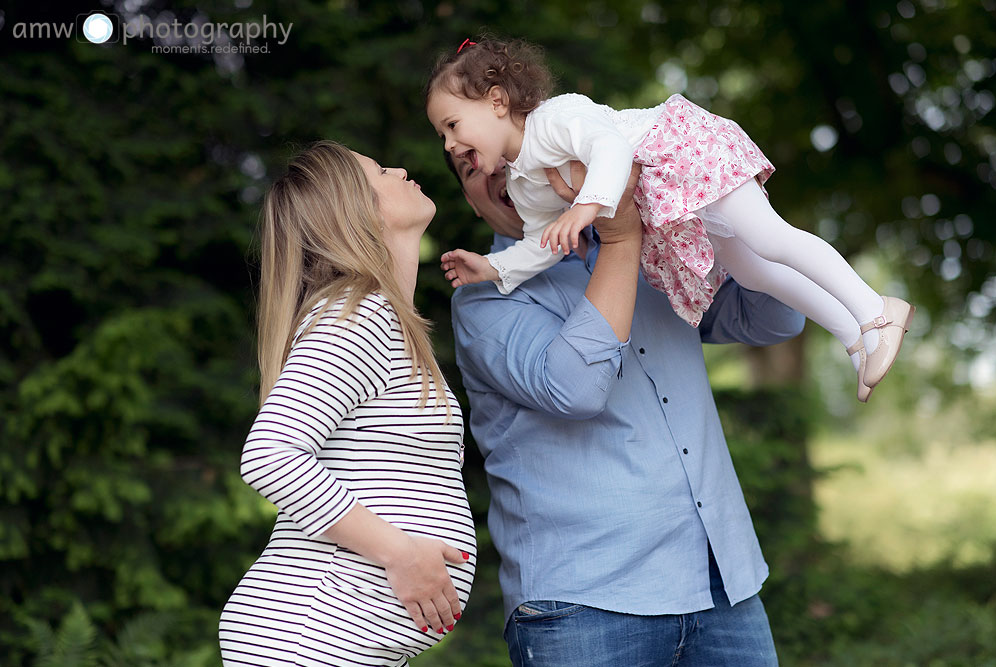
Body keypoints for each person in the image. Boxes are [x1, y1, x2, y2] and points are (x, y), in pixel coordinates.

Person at [434, 128, 806, 664]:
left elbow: (776, 315)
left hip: (721, 586)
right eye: (472, 169)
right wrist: (620, 239)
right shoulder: (483, 299)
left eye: (506, 154)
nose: (495, 171)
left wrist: (724, 195)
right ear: (469, 198)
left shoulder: (658, 254)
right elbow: (577, 388)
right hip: (583, 607)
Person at [425, 37, 915, 402]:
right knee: (750, 270)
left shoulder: (555, 118)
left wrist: (587, 205)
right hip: (665, 200)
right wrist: (494, 269)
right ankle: (854, 337)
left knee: (770, 238)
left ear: (495, 102)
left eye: (452, 126)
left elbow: (612, 149)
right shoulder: (522, 182)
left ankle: (876, 308)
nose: (449, 144)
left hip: (680, 154)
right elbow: (539, 241)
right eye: (442, 136)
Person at [218, 140, 476, 667]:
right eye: (381, 171)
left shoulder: (382, 321)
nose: (402, 168)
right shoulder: (359, 316)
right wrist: (400, 554)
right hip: (306, 637)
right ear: (351, 211)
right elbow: (270, 455)